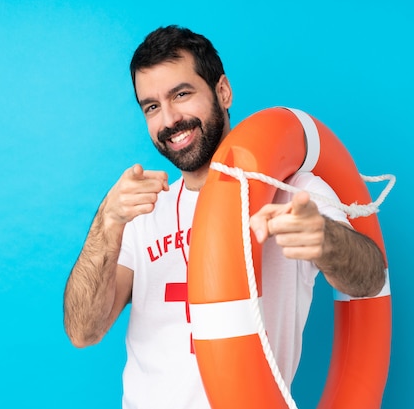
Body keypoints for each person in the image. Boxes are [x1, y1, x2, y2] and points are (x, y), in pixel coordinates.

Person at [63, 25, 386, 409]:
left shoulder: (294, 192)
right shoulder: (143, 213)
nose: (168, 120)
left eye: (181, 94)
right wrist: (107, 222)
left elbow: (370, 279)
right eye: (151, 107)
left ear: (223, 91)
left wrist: (327, 240)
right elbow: (83, 332)